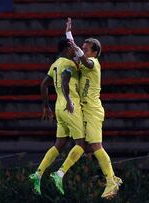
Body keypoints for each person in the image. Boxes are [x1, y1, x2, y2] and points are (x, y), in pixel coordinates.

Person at [65, 17, 122, 199]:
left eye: (86, 48)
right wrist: (68, 35)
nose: (83, 50)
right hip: (85, 109)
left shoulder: (94, 64)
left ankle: (112, 179)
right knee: (87, 146)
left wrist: (74, 44)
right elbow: (71, 54)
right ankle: (112, 178)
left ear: (95, 52)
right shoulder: (83, 63)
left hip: (93, 110)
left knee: (96, 146)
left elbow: (82, 58)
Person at [28, 38, 86, 195]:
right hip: (70, 106)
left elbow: (43, 85)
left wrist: (46, 106)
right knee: (81, 144)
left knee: (59, 144)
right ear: (68, 49)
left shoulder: (55, 64)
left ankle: (38, 174)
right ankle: (59, 174)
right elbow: (66, 80)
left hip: (58, 107)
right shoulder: (68, 64)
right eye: (72, 47)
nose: (75, 49)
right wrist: (69, 101)